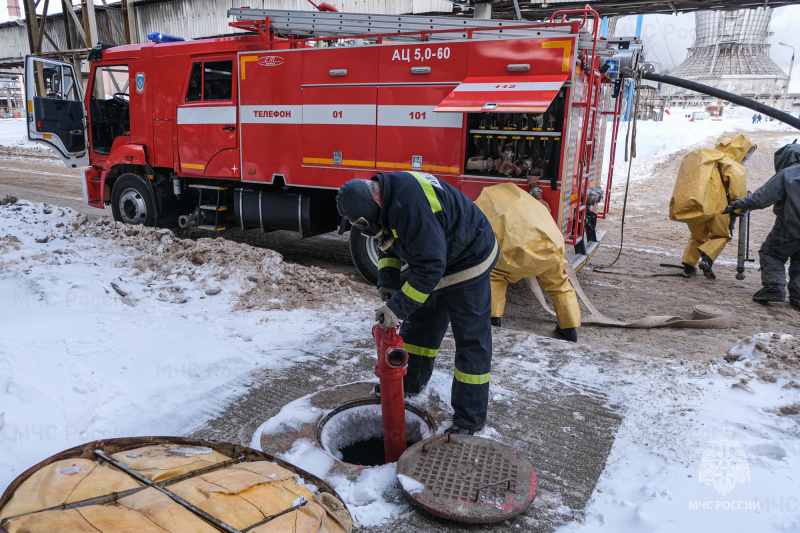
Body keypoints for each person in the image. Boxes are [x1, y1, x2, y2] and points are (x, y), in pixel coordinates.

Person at [336, 171, 498, 435]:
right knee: (421, 325)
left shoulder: (409, 206)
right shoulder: (386, 195)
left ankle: (470, 420)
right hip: (438, 255)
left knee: (471, 341)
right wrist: (387, 281)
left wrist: (397, 308)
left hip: (470, 256)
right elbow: (389, 244)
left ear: (374, 202)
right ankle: (409, 381)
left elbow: (431, 267)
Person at [474, 183, 580, 342]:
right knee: (559, 284)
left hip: (516, 250)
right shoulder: (527, 201)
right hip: (551, 247)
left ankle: (493, 322)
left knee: (495, 277)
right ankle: (569, 329)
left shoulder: (484, 202)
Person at [723, 142, 800, 311]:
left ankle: (774, 288)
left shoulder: (787, 174)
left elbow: (761, 198)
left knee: (771, 252)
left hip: (790, 226)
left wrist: (738, 205)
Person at [670, 133, 756, 279]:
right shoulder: (733, 166)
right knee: (721, 236)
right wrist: (738, 209)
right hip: (719, 210)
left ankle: (689, 266)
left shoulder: (704, 158)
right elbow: (737, 193)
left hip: (697, 207)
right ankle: (707, 259)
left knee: (697, 236)